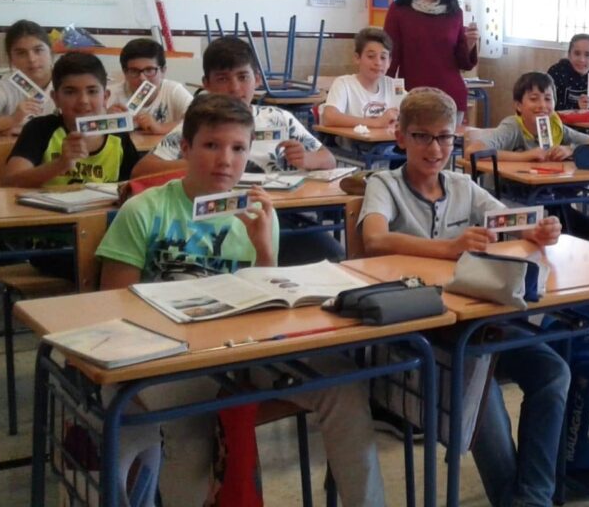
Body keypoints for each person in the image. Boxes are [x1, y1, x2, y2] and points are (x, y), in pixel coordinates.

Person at [98, 94, 383, 506]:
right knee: (194, 425)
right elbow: (115, 305)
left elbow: (271, 307)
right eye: (211, 145)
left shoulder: (257, 215)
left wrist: (266, 253)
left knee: (344, 388)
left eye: (238, 148)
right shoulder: (144, 210)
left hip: (244, 350)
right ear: (186, 148)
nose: (225, 160)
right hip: (170, 355)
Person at [359, 88, 567, 507]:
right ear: (401, 138)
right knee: (479, 388)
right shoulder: (384, 183)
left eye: (445, 137)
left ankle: (532, 497)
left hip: (477, 321)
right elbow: (374, 238)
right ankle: (524, 502)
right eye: (422, 137)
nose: (435, 148)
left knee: (553, 372)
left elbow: (509, 220)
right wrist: (449, 248)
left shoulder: (462, 185)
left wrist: (539, 230)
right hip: (425, 333)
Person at [131, 37, 341, 264]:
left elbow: (328, 159)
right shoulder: (198, 124)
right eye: (222, 79)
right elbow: (142, 170)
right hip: (216, 217)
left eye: (243, 77)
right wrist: (198, 162)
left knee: (334, 256)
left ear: (257, 79)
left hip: (284, 216)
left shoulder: (279, 118)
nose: (234, 88)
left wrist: (307, 159)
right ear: (207, 84)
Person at [465, 71, 589, 244]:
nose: (542, 105)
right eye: (534, 99)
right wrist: (525, 156)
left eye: (548, 99)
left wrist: (571, 149)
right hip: (507, 200)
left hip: (549, 201)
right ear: (518, 105)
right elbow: (473, 151)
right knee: (542, 238)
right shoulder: (513, 126)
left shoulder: (556, 126)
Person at [3, 51, 140, 189]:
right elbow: (11, 181)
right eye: (70, 92)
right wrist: (61, 163)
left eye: (92, 91)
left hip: (100, 210)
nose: (83, 101)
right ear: (55, 98)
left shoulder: (118, 136)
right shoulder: (40, 129)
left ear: (105, 97)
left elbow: (136, 183)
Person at [384, 0, 478, 125]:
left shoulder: (454, 12)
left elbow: (463, 63)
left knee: (445, 150)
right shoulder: (399, 10)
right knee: (414, 149)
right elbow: (390, 57)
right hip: (414, 98)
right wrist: (382, 93)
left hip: (451, 98)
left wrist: (470, 44)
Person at [320, 27, 405, 129]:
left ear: (390, 62)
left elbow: (416, 108)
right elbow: (329, 117)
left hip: (389, 143)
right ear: (357, 58)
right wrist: (377, 123)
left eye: (383, 58)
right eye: (371, 56)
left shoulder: (394, 86)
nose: (378, 63)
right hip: (351, 144)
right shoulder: (344, 84)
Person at [106, 37, 193, 135]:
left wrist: (160, 128)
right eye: (134, 71)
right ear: (125, 73)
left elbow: (201, 121)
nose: (142, 78)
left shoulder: (173, 91)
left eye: (149, 70)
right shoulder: (109, 95)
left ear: (163, 71)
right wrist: (105, 120)